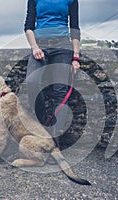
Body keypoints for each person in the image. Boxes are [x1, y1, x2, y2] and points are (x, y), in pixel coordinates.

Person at [24, 0, 81, 147]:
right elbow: (28, 26)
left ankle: (55, 137)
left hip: (62, 46)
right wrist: (35, 47)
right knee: (31, 82)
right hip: (40, 45)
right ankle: (44, 125)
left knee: (60, 90)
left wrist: (75, 57)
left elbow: (74, 28)